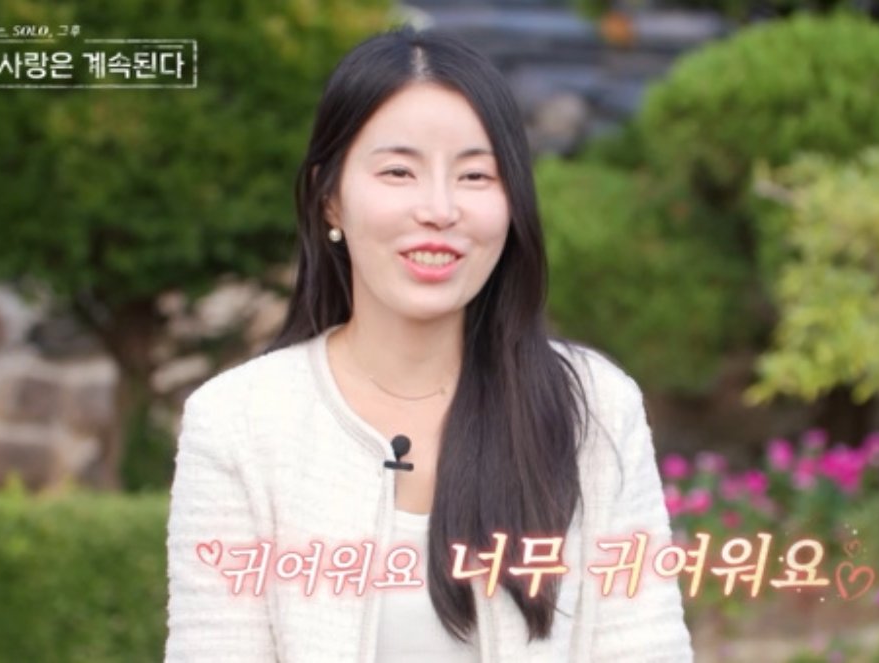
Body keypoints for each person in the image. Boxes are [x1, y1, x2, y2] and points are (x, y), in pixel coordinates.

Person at [164, 26, 693, 662]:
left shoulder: (596, 407)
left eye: (475, 175)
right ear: (330, 199)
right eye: (398, 171)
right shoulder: (238, 421)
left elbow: (645, 647)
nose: (439, 209)